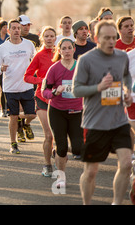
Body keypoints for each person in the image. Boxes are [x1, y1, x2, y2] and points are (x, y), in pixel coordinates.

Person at [72, 20, 134, 205]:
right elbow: (76, 90)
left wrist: (127, 91)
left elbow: (126, 76)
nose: (111, 41)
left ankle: (116, 202)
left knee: (126, 163)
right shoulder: (86, 60)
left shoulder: (122, 56)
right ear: (97, 38)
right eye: (107, 38)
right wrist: (98, 87)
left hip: (118, 120)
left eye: (114, 38)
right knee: (91, 171)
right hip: (95, 122)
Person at [42, 38, 84, 189]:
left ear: (74, 49)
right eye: (63, 48)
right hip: (57, 111)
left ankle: (60, 149)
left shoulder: (81, 67)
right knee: (61, 146)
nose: (66, 51)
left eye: (69, 48)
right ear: (59, 51)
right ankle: (60, 177)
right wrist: (54, 92)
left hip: (77, 111)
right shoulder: (54, 69)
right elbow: (44, 91)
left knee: (78, 148)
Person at [0, 19, 36, 154]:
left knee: (31, 114)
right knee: (12, 117)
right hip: (10, 88)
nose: (17, 30)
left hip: (26, 86)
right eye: (14, 28)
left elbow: (36, 60)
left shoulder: (29, 45)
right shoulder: (3, 48)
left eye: (19, 28)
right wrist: (1, 68)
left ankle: (26, 124)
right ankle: (13, 143)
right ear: (8, 31)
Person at [24, 26, 56, 176]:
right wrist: (41, 81)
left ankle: (56, 154)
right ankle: (47, 165)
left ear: (55, 38)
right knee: (48, 135)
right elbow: (27, 76)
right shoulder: (39, 55)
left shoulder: (60, 54)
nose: (49, 39)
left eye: (52, 36)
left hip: (58, 99)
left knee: (57, 136)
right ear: (43, 38)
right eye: (47, 36)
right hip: (42, 97)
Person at [0, 20, 9, 117]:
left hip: (8, 68)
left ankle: (8, 108)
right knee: (2, 88)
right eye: (4, 27)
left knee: (7, 89)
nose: (5, 29)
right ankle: (3, 109)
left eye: (7, 27)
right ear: (0, 28)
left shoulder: (9, 38)